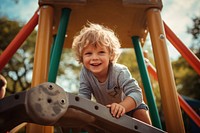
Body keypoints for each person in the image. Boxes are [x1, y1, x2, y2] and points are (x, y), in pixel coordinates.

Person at [72, 22, 152, 125]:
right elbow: (84, 95)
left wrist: (122, 106)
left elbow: (136, 93)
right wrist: (76, 107)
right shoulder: (85, 73)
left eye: (101, 52)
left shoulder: (119, 71)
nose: (95, 58)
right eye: (88, 53)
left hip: (130, 106)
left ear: (110, 55)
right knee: (93, 120)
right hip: (109, 111)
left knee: (140, 112)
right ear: (81, 57)